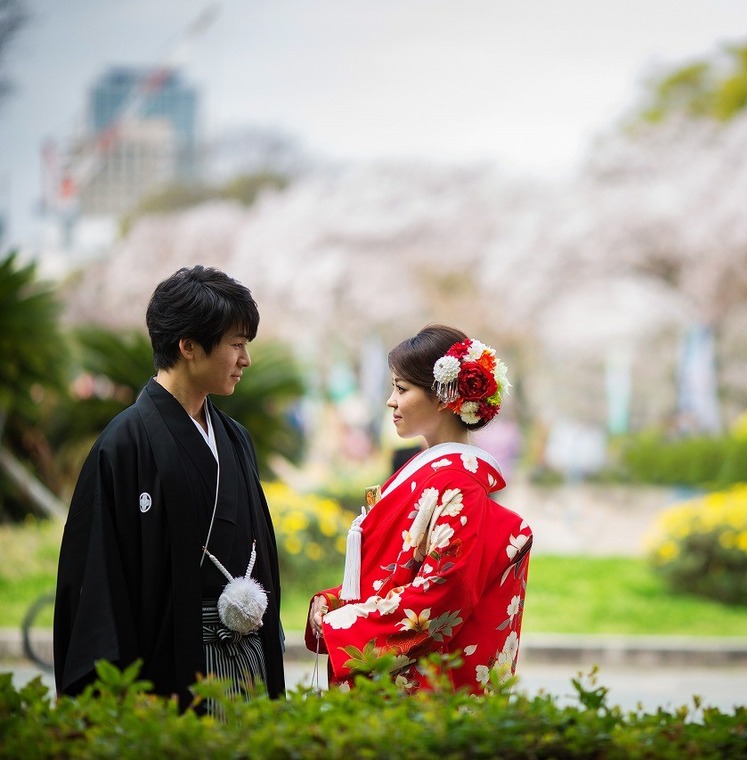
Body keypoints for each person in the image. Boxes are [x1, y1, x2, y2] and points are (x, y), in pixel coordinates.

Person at [54, 265, 286, 709]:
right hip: (166, 664)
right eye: (236, 345)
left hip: (246, 655)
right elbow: (99, 579)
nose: (245, 360)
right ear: (189, 347)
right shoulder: (123, 445)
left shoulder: (234, 437)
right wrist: (123, 688)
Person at [306, 324, 533, 694]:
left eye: (401, 389)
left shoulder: (458, 483)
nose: (390, 401)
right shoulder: (432, 473)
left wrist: (345, 624)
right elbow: (392, 574)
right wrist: (333, 600)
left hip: (418, 690)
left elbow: (440, 597)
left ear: (444, 397)